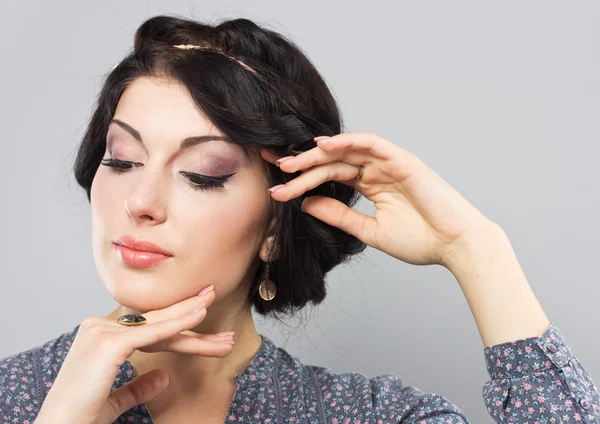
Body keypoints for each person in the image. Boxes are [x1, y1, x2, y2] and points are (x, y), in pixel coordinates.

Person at [0, 14, 598, 424]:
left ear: (272, 227)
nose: (141, 201)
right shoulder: (15, 395)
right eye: (122, 159)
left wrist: (476, 248)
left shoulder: (371, 415)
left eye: (203, 173)